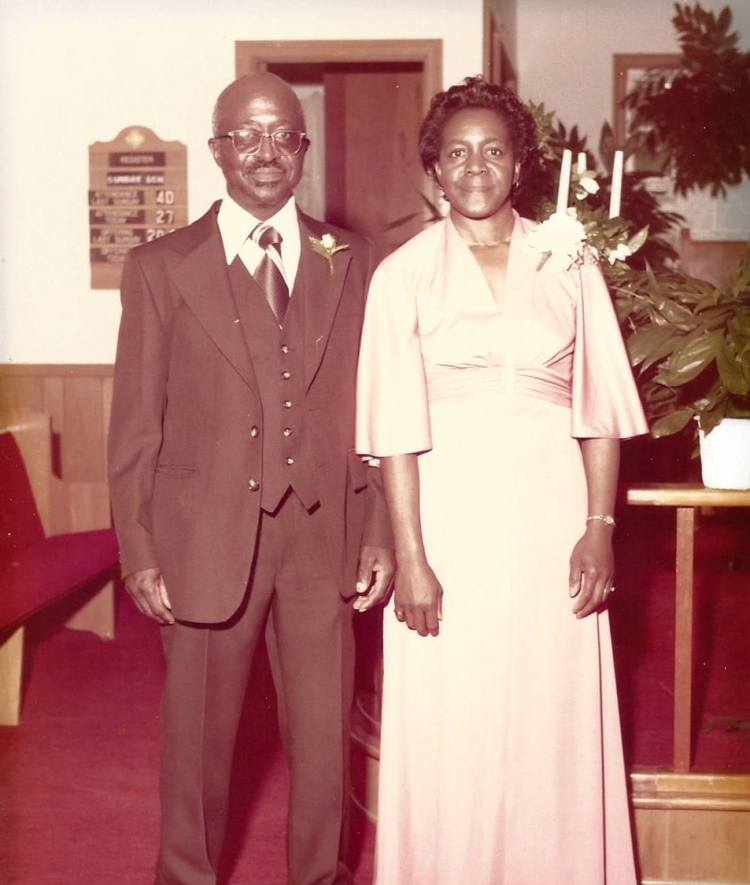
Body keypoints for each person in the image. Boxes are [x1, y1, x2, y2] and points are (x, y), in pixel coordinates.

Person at [356, 76, 648, 885]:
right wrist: (412, 556)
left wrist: (599, 525)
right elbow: (393, 439)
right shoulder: (402, 275)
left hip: (552, 517)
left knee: (549, 710)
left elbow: (598, 410)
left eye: (492, 149)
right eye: (456, 152)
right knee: (458, 713)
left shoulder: (570, 262)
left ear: (520, 163)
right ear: (433, 172)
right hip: (448, 521)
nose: (475, 165)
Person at [108, 72, 394, 885]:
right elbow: (134, 424)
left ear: (303, 150)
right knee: (196, 741)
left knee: (321, 735)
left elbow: (373, 410)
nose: (266, 152)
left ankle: (320, 875)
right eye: (247, 135)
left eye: (284, 136)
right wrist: (140, 549)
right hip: (202, 538)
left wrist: (377, 528)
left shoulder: (353, 259)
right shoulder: (162, 267)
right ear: (217, 150)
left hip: (321, 535)